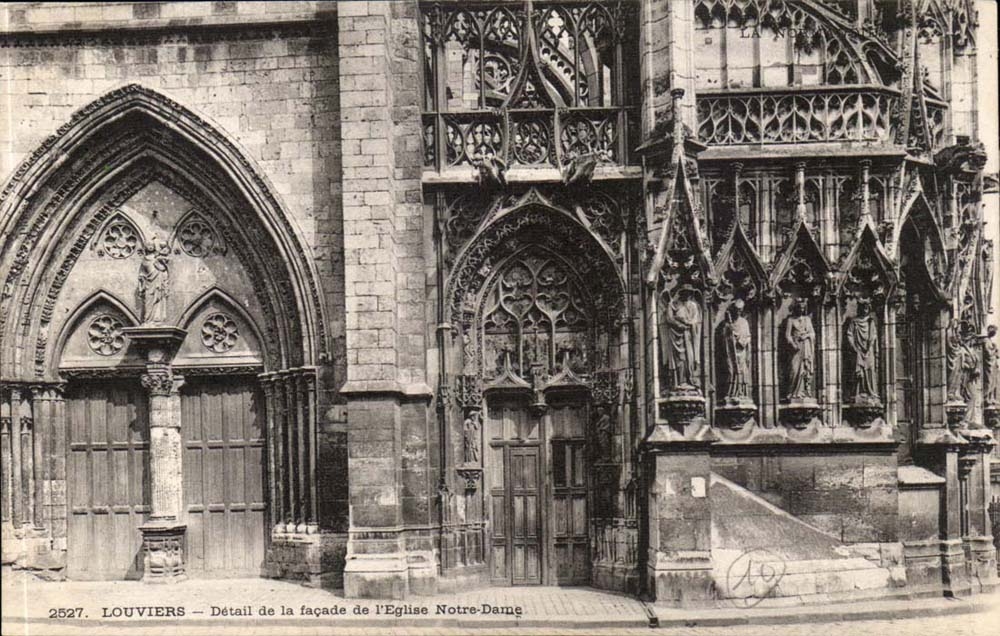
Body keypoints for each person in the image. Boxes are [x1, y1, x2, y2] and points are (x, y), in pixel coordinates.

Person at [660, 289, 702, 391]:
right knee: (679, 359)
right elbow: (670, 319)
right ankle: (679, 381)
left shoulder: (692, 306)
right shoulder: (673, 304)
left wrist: (686, 322)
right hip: (675, 336)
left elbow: (695, 320)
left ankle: (690, 379)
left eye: (688, 294)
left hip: (688, 336)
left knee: (689, 358)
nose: (686, 296)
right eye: (684, 293)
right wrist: (680, 324)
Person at [845, 299, 878, 402]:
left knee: (870, 370)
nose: (865, 310)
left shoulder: (871, 322)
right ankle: (858, 392)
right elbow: (849, 334)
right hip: (858, 350)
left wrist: (869, 348)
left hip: (868, 351)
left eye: (867, 308)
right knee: (859, 372)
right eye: (863, 308)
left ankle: (870, 392)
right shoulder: (854, 322)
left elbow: (873, 336)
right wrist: (854, 347)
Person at [785, 298, 815, 401]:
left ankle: (804, 392)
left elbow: (812, 333)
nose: (801, 310)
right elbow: (787, 335)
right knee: (794, 370)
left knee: (805, 369)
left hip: (806, 347)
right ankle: (793, 392)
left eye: (803, 308)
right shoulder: (791, 320)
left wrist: (806, 336)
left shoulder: (807, 320)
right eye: (799, 308)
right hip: (795, 349)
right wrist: (793, 344)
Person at [722, 300, 752, 402]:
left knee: (742, 371)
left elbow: (748, 337)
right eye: (736, 310)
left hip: (741, 351)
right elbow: (724, 338)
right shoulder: (728, 324)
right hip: (731, 352)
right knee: (731, 370)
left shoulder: (744, 322)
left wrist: (740, 340)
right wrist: (730, 337)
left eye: (740, 310)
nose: (738, 312)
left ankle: (741, 392)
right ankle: (731, 392)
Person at [138, 234, 170, 324]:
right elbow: (141, 274)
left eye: (152, 245)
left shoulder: (158, 257)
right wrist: (141, 284)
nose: (150, 246)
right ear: (145, 247)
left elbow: (164, 269)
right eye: (148, 245)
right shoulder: (144, 260)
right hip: (148, 283)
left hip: (158, 281)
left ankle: (157, 319)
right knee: (148, 300)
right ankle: (148, 319)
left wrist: (164, 278)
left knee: (159, 298)